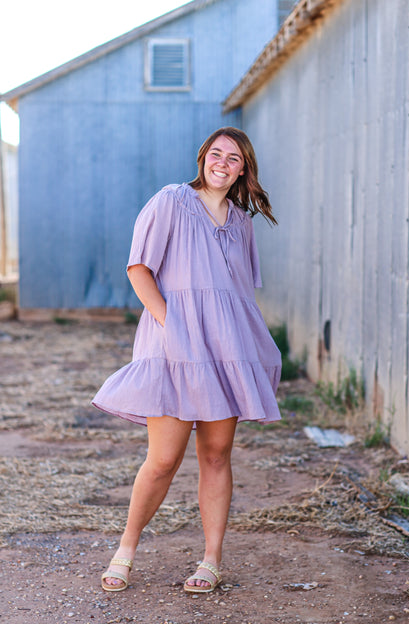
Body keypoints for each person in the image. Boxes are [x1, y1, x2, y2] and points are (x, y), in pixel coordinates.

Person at [92, 127, 282, 594]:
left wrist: (251, 348)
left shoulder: (242, 221)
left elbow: (237, 294)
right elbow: (139, 269)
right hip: (175, 345)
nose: (223, 162)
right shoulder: (171, 201)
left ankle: (211, 560)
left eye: (233, 158)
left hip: (226, 349)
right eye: (216, 154)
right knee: (162, 459)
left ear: (244, 169)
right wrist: (170, 325)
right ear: (202, 159)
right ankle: (126, 551)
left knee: (216, 456)